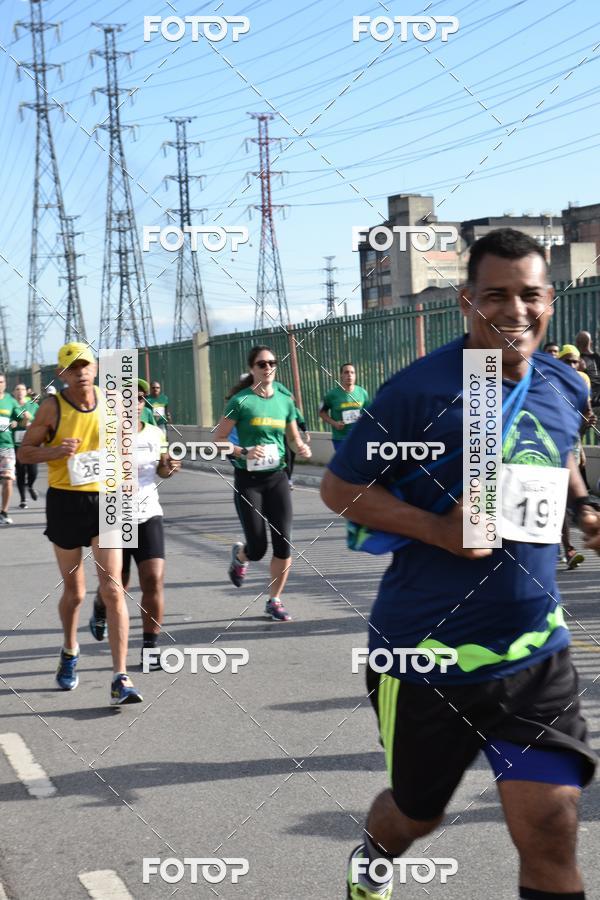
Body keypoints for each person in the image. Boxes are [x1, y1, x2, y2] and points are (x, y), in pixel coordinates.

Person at [321, 229, 600, 900]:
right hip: (428, 654)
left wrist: (585, 509)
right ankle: (374, 858)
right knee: (417, 814)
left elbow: (556, 452)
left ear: (549, 301)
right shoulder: (417, 393)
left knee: (552, 822)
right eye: (495, 295)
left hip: (535, 649)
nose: (514, 311)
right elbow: (340, 490)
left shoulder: (565, 382)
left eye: (529, 294)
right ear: (466, 302)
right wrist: (440, 530)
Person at [18, 342, 143, 706]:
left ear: (95, 369)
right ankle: (70, 649)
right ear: (62, 374)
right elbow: (25, 451)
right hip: (66, 501)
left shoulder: (113, 402)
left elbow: (125, 447)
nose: (81, 372)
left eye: (85, 365)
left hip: (108, 499)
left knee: (113, 587)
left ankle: (121, 677)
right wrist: (54, 452)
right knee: (74, 592)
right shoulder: (52, 407)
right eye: (73, 368)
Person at [213, 346, 311, 622]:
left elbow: (292, 437)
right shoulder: (241, 401)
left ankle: (274, 599)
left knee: (283, 544)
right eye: (262, 364)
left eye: (272, 363)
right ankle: (240, 556)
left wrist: (301, 447)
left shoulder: (284, 399)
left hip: (277, 478)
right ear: (252, 369)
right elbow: (218, 440)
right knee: (258, 548)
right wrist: (243, 451)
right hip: (249, 481)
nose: (268, 368)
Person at [90, 379, 180, 669]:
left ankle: (150, 648)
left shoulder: (155, 433)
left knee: (153, 579)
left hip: (148, 512)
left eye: (139, 399)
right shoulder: (103, 434)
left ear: (143, 404)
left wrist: (168, 468)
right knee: (118, 584)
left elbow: (162, 471)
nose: (134, 404)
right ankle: (100, 606)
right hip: (114, 515)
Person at [319, 363, 369, 451]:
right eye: (346, 372)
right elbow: (321, 412)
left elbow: (369, 412)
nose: (349, 375)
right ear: (341, 375)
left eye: (352, 372)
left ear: (355, 375)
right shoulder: (331, 394)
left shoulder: (362, 392)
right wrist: (334, 423)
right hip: (340, 439)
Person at [13, 383, 39, 509]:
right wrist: (16, 423)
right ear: (14, 393)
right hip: (17, 444)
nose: (20, 392)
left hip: (32, 443)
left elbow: (41, 421)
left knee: (33, 471)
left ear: (26, 392)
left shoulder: (33, 406)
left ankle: (30, 486)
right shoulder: (12, 406)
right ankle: (23, 499)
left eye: (22, 389)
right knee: (20, 471)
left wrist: (30, 420)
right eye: (17, 390)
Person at [0, 372, 20, 525]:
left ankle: (4, 512)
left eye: (2, 382)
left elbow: (22, 416)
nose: (0, 384)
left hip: (6, 446)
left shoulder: (10, 401)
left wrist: (17, 420)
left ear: (5, 383)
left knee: (7, 480)